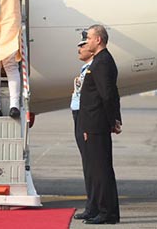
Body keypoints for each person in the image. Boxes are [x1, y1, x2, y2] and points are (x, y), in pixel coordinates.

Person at [77, 25, 121, 225]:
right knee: (95, 169)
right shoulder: (100, 61)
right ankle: (96, 208)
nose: (86, 40)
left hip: (96, 124)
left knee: (101, 169)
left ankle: (107, 213)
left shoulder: (103, 62)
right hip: (93, 122)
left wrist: (113, 121)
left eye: (89, 37)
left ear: (98, 40)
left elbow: (107, 95)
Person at [71, 39, 96, 221]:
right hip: (79, 116)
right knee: (87, 164)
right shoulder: (85, 68)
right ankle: (92, 205)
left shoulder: (93, 69)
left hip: (85, 118)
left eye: (83, 45)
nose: (79, 48)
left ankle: (93, 206)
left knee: (91, 165)